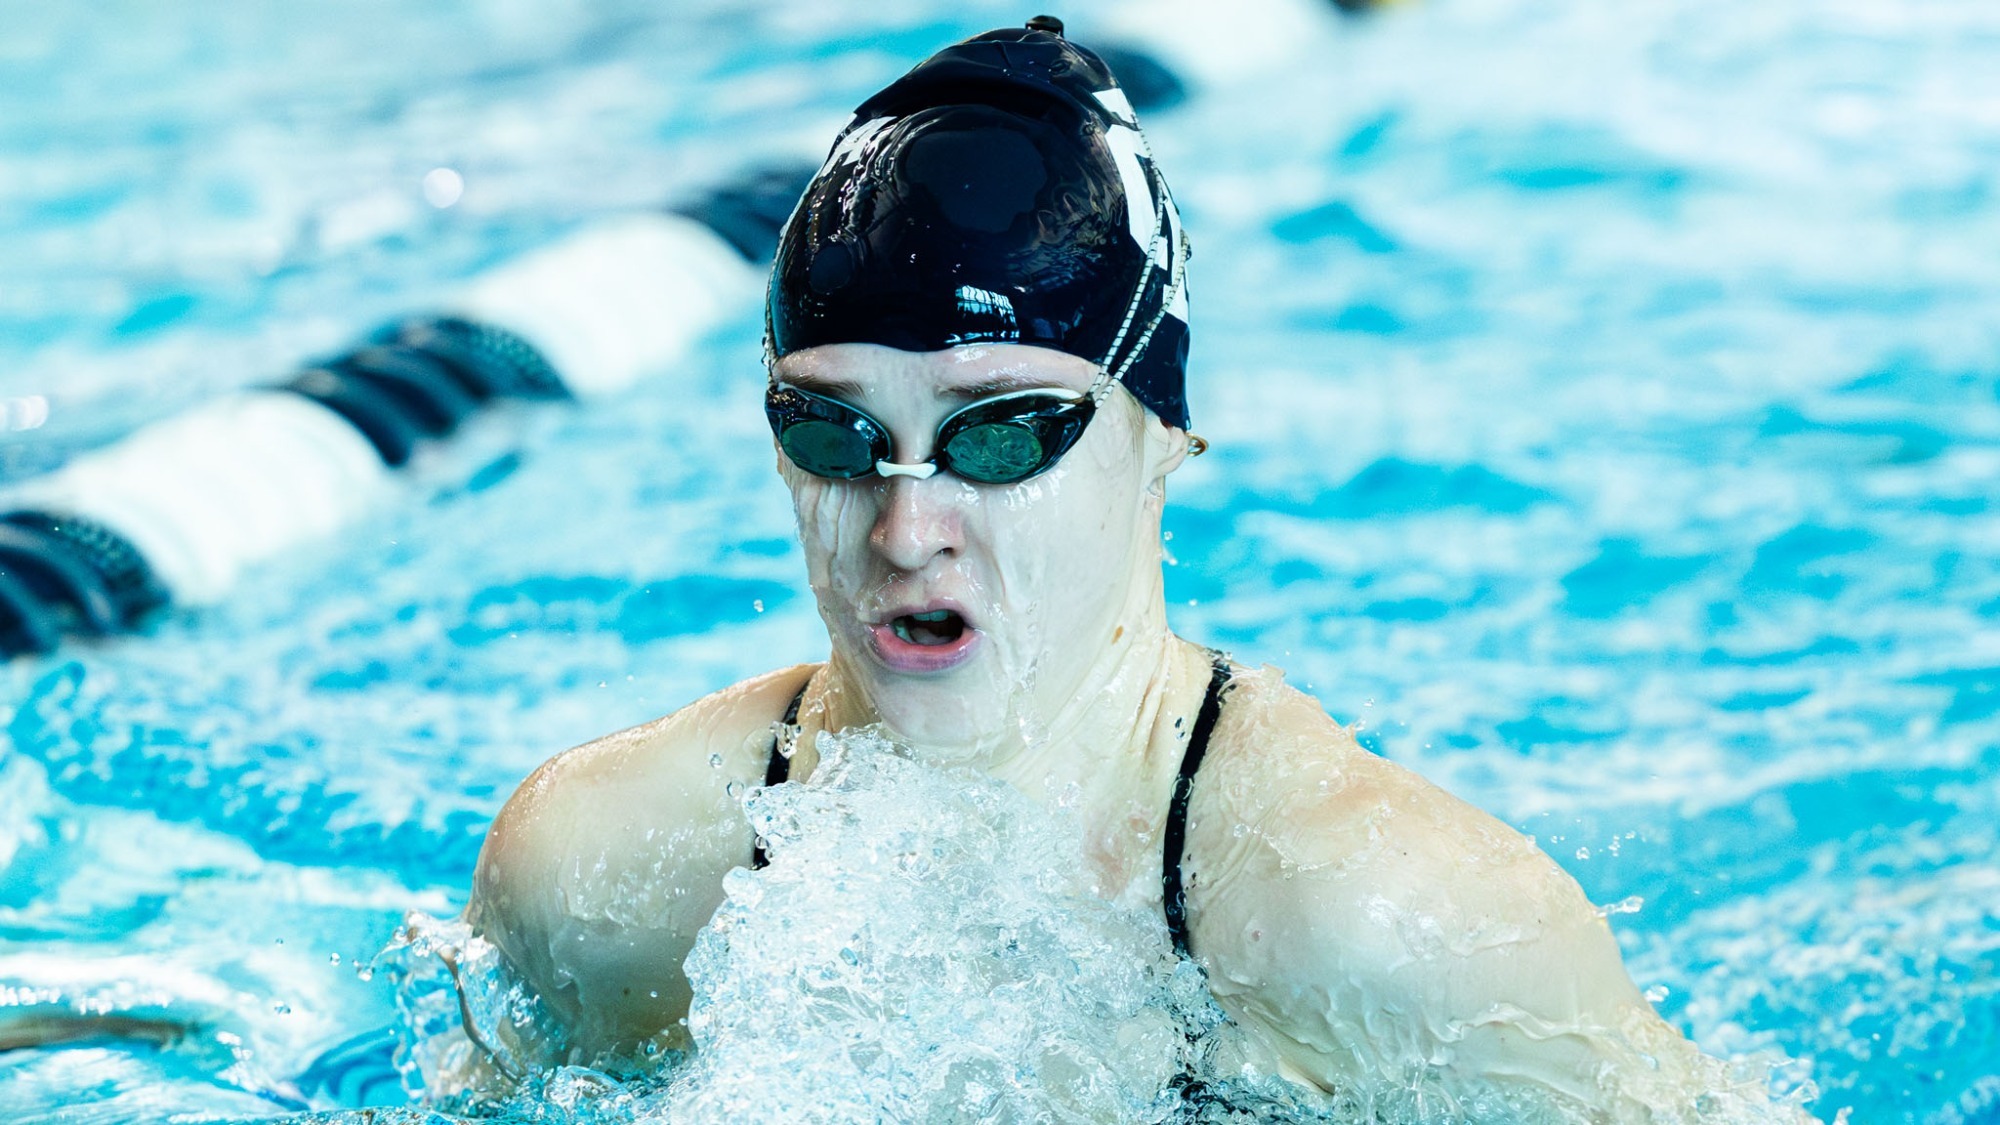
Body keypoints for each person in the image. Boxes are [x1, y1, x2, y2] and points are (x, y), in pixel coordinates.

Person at [463, 20, 1811, 1121]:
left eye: (1001, 433)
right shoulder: (606, 872)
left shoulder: (1370, 913)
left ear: (1160, 438)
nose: (904, 526)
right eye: (835, 431)